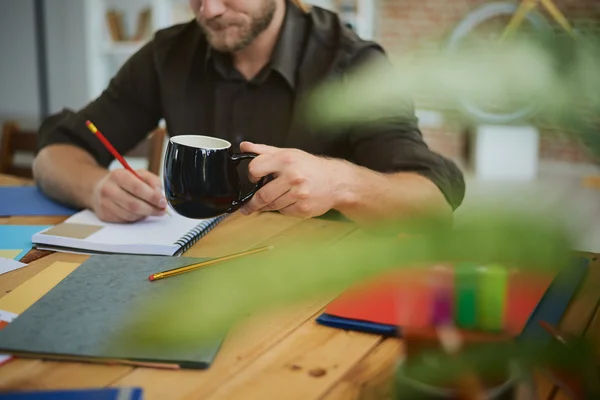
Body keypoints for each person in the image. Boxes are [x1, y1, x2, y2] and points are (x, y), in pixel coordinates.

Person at [33, 0, 465, 225]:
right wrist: (95, 188)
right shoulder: (168, 54)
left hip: (311, 295)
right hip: (185, 278)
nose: (209, 11)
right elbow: (54, 154)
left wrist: (341, 184)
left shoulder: (353, 63)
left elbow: (431, 202)